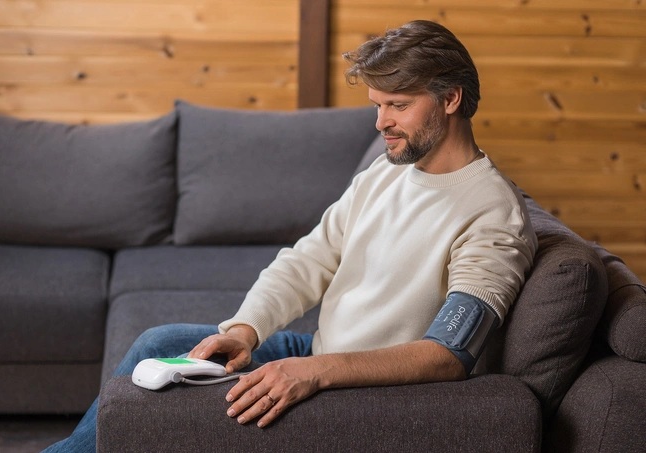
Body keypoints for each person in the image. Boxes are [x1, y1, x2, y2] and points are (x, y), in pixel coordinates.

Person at [43, 19, 537, 452]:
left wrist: (315, 372)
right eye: (377, 105)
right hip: (318, 354)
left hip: (363, 384)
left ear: (451, 99)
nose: (381, 122)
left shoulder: (492, 214)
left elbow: (448, 354)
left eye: (398, 105)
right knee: (160, 342)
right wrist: (245, 330)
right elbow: (310, 259)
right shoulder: (388, 171)